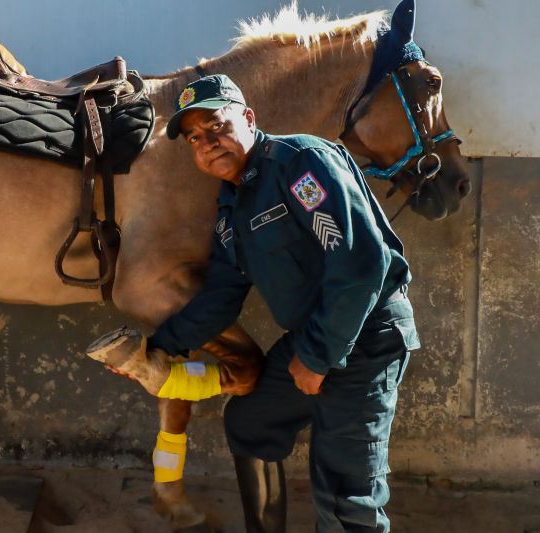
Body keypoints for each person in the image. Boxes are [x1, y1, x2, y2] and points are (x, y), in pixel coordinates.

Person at [87, 74, 419, 532]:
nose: (208, 143)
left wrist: (317, 356)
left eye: (217, 126)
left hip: (367, 335)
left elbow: (361, 266)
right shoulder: (234, 205)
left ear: (247, 117)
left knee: (346, 495)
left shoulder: (300, 164)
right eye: (196, 138)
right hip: (313, 337)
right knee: (251, 421)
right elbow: (221, 296)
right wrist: (159, 349)